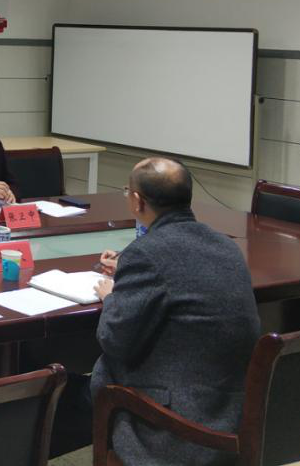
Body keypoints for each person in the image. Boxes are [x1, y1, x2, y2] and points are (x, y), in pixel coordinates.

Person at [82, 157, 259, 465]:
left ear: (137, 201)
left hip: (175, 428)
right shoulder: (225, 245)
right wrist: (131, 274)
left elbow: (114, 340)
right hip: (229, 413)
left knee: (79, 387)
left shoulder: (146, 253)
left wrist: (112, 297)